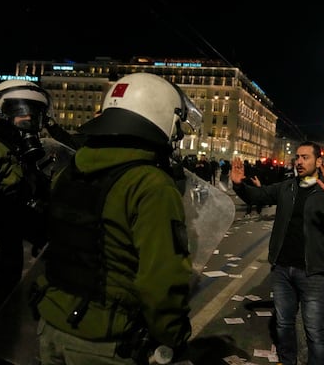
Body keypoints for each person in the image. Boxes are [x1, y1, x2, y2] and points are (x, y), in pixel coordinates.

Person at [32, 73, 199, 365]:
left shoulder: (72, 170)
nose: (178, 136)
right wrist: (172, 335)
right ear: (162, 118)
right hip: (106, 340)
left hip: (51, 324)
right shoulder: (151, 184)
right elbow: (161, 277)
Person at [230, 141, 324, 365]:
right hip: (282, 269)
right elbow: (259, 197)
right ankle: (288, 361)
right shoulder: (286, 187)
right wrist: (239, 185)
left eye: (305, 157)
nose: (299, 162)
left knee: (315, 331)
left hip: (314, 271)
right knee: (284, 324)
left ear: (319, 161)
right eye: (297, 157)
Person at [0, 79, 52, 365]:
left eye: (34, 113)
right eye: (20, 110)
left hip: (6, 255)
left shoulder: (19, 151)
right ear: (0, 111)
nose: (28, 118)